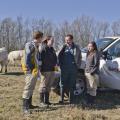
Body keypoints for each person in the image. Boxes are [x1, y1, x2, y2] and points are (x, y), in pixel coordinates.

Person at [21, 31, 43, 114]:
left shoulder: (36, 45)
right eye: (41, 37)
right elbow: (28, 55)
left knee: (32, 87)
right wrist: (29, 67)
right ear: (39, 37)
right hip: (30, 70)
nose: (42, 39)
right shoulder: (29, 44)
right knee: (28, 87)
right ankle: (25, 107)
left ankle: (29, 105)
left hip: (35, 70)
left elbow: (36, 58)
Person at [58, 34, 82, 104]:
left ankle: (71, 100)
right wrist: (60, 65)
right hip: (64, 69)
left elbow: (80, 57)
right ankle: (61, 99)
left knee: (72, 84)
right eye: (66, 40)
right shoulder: (63, 47)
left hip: (73, 69)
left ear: (72, 40)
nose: (67, 41)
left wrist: (78, 65)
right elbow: (58, 56)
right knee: (62, 84)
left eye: (68, 40)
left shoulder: (76, 47)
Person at [39, 36, 57, 106]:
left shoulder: (52, 49)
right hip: (45, 70)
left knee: (49, 86)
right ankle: (41, 102)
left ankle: (47, 101)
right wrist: (40, 68)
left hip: (52, 70)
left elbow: (55, 58)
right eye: (51, 40)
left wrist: (55, 64)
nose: (53, 42)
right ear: (47, 40)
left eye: (53, 41)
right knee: (43, 86)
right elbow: (40, 59)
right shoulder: (43, 48)